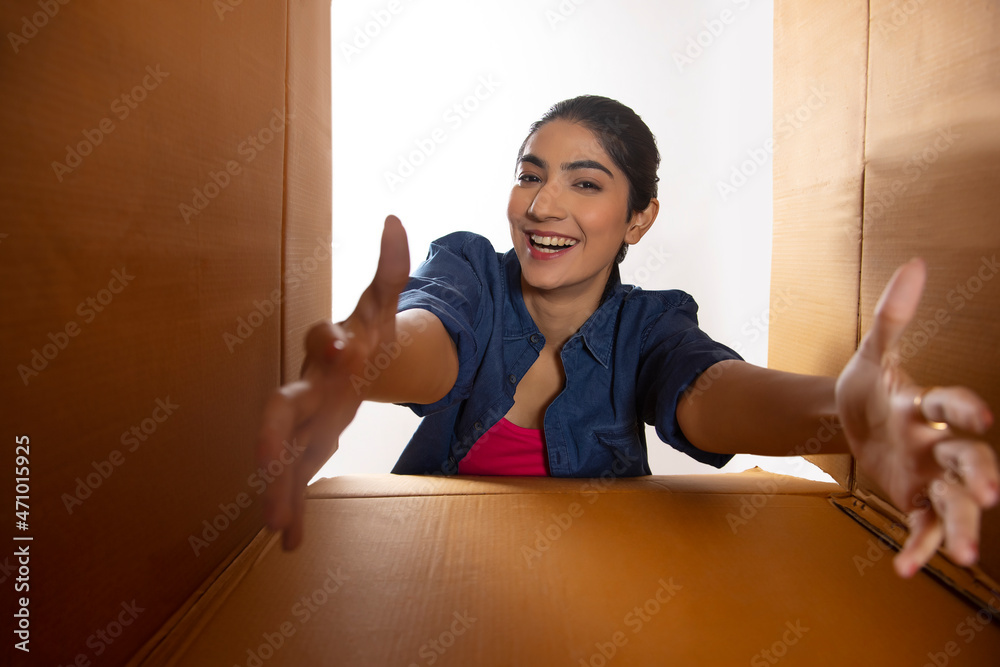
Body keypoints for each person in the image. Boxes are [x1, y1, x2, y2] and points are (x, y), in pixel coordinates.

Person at [256, 95, 998, 580]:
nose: (543, 205)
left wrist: (839, 412)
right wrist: (364, 363)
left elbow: (707, 391)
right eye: (530, 174)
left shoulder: (650, 324)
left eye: (585, 182)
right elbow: (430, 336)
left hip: (603, 591)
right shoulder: (471, 269)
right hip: (439, 573)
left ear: (639, 218)